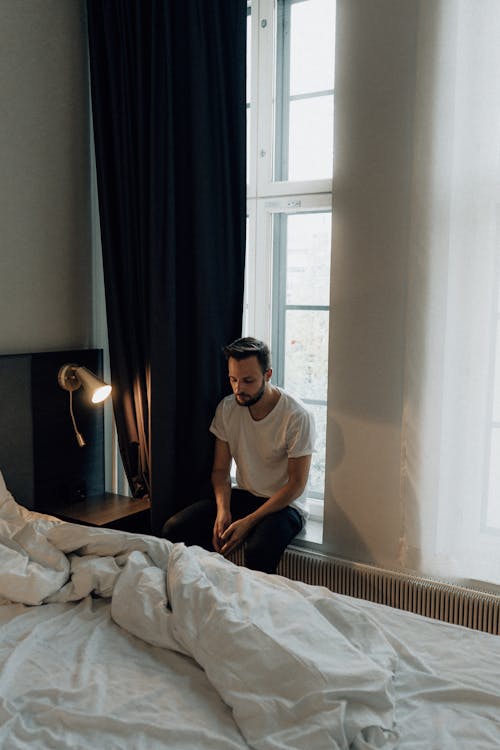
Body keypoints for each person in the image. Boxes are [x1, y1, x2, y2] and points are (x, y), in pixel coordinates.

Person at [161, 337, 315, 573]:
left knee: (258, 549)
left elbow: (296, 484)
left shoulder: (296, 416)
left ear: (268, 374)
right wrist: (224, 510)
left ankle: (253, 608)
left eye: (248, 380)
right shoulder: (227, 408)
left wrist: (249, 521)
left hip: (285, 505)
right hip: (246, 494)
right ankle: (203, 592)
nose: (238, 388)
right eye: (233, 379)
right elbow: (221, 470)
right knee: (175, 528)